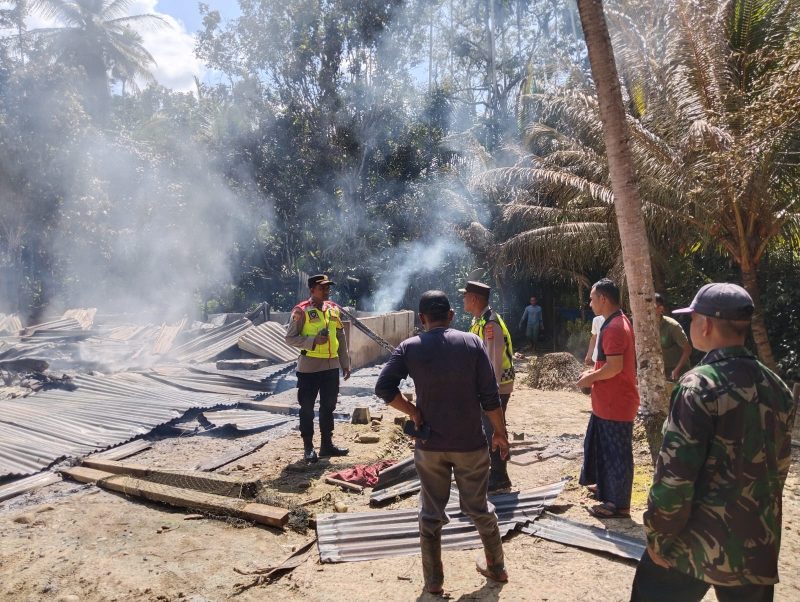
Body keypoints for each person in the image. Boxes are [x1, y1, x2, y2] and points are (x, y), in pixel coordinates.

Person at [631, 283, 796, 602]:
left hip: (693, 544)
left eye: (692, 319)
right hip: (755, 544)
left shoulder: (698, 385)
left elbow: (675, 479)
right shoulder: (777, 388)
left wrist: (657, 537)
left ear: (704, 324)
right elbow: (779, 470)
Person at [375, 290, 510, 595]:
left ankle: (433, 581)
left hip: (430, 446)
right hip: (470, 444)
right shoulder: (472, 343)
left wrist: (413, 411)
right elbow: (490, 396)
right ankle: (497, 567)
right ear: (451, 316)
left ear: (421, 319)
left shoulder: (409, 347)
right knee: (479, 507)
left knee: (431, 513)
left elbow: (383, 386)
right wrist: (500, 433)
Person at [576, 278, 640, 518]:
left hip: (616, 403)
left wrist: (589, 379)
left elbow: (614, 367)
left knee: (617, 454)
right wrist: (592, 374)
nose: (590, 303)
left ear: (603, 299)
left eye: (592, 298)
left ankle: (618, 504)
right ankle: (606, 489)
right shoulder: (615, 322)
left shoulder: (614, 327)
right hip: (608, 403)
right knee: (602, 449)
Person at [285, 274, 351, 463]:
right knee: (306, 408)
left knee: (328, 407)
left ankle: (326, 445)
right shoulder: (301, 311)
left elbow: (340, 336)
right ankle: (308, 447)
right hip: (309, 368)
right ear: (312, 290)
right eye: (322, 288)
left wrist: (345, 363)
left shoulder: (333, 310)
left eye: (328, 287)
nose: (326, 291)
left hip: (331, 367)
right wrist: (312, 341)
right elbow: (289, 338)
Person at [461, 281, 515, 492]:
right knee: (489, 429)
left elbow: (492, 363)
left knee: (494, 429)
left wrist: (485, 395)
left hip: (496, 387)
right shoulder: (480, 321)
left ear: (474, 298)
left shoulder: (490, 324)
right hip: (491, 386)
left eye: (465, 296)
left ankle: (500, 477)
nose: (463, 300)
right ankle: (495, 472)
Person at [655, 293, 692, 381]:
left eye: (651, 307)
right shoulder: (645, 327)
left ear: (660, 309)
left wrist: (677, 370)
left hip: (679, 372)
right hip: (661, 372)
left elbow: (687, 349)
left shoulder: (672, 326)